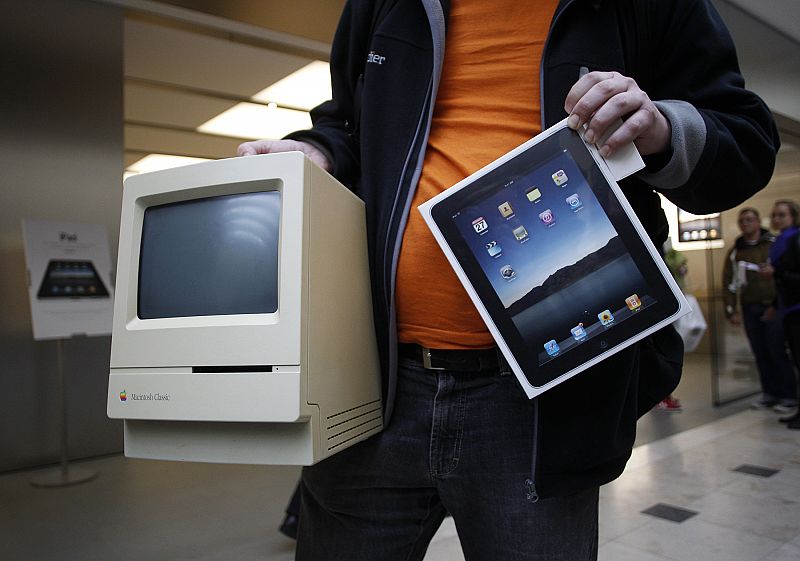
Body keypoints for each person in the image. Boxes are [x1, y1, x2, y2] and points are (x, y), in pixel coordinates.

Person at [239, 1, 779, 559]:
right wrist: (318, 150)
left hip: (542, 404)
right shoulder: (385, 5)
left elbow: (746, 141)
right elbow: (348, 124)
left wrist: (661, 128)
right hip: (372, 382)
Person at [722, 208, 797, 413]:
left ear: (757, 222)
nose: (745, 223)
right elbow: (729, 283)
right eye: (742, 220)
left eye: (749, 219)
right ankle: (769, 393)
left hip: (774, 305)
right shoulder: (736, 251)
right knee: (760, 352)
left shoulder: (773, 244)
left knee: (777, 350)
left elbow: (786, 273)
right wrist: (731, 310)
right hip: (749, 306)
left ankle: (788, 394)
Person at [764, 200, 800, 428]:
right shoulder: (781, 240)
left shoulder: (794, 239)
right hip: (788, 308)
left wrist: (777, 272)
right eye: (775, 215)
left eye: (783, 215)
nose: (778, 219)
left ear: (793, 216)